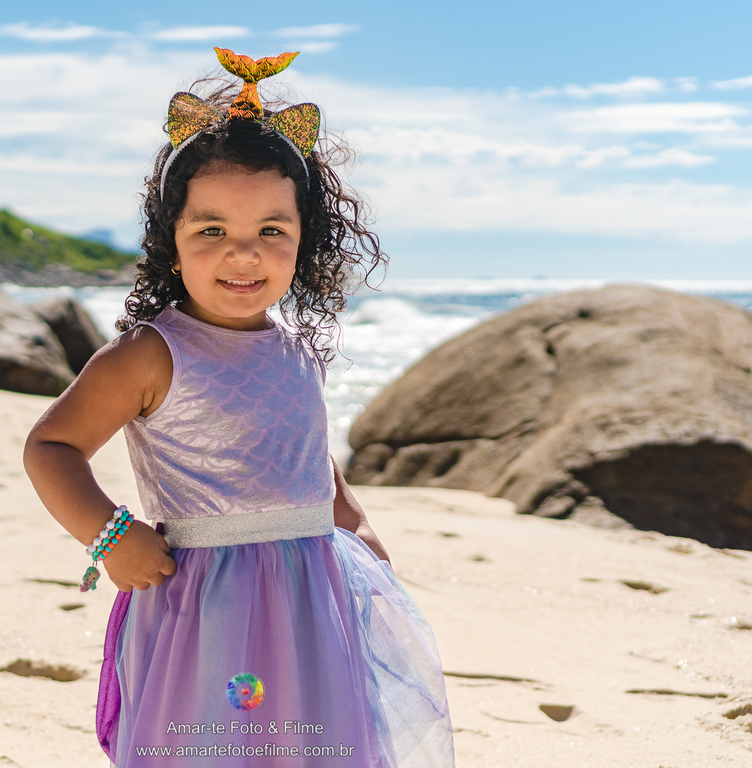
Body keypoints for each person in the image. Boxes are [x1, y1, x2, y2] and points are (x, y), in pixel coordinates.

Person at [23, 48, 454, 767]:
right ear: (172, 240)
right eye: (213, 231)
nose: (243, 256)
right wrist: (110, 535)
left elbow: (310, 460)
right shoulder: (151, 354)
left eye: (270, 233)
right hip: (204, 604)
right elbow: (50, 449)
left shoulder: (297, 349)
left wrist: (358, 529)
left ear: (303, 240)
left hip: (314, 597)